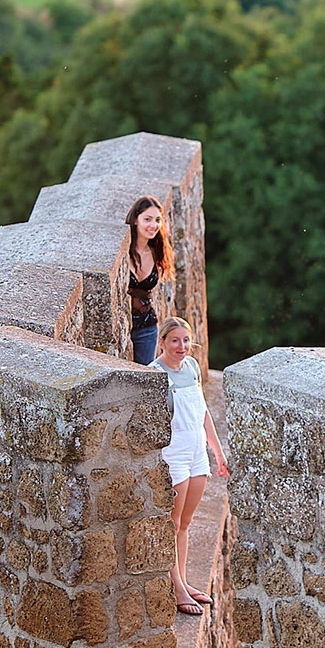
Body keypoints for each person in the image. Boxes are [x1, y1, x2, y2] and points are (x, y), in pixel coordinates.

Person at [151, 316, 229, 616]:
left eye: (185, 340)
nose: (181, 346)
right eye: (175, 340)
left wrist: (217, 453)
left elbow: (204, 412)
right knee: (171, 524)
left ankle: (182, 580)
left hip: (198, 453)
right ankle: (178, 589)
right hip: (174, 456)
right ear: (162, 342)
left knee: (185, 524)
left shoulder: (193, 367)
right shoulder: (154, 375)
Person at [125, 195, 174, 366]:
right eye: (147, 219)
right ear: (136, 220)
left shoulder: (156, 251)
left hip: (147, 327)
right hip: (123, 327)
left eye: (157, 220)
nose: (153, 226)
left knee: (145, 379)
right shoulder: (121, 252)